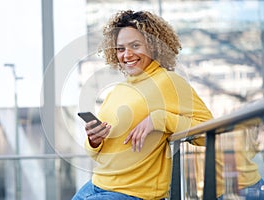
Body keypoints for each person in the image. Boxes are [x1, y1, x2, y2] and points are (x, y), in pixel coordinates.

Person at [72, 10, 213, 200]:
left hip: (135, 193)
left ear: (153, 46)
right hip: (97, 184)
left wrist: (160, 119)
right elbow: (97, 155)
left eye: (135, 46)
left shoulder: (169, 81)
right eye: (120, 49)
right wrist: (94, 141)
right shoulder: (118, 90)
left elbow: (208, 134)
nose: (127, 54)